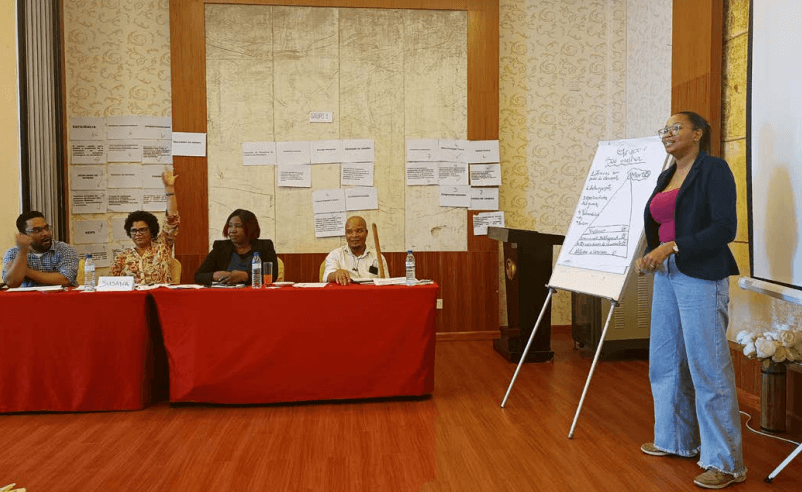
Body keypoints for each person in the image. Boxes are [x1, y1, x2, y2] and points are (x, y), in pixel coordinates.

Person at [637, 111, 745, 489]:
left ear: (698, 133)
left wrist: (672, 246)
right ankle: (676, 440)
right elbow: (659, 223)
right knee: (665, 361)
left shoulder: (714, 170)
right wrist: (653, 252)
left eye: (675, 127)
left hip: (701, 275)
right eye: (663, 128)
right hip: (667, 276)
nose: (666, 133)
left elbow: (724, 228)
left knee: (709, 369)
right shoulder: (666, 175)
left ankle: (726, 463)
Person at [110, 170, 179, 284]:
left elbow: (172, 219)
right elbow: (111, 286)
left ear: (151, 230)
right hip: (133, 300)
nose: (138, 234)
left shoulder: (162, 245)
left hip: (160, 298)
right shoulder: (122, 258)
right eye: (134, 231)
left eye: (142, 230)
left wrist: (169, 189)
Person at [194, 209, 278, 285]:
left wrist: (246, 276)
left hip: (255, 294)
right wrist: (213, 276)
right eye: (230, 226)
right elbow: (198, 276)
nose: (232, 230)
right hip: (226, 295)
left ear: (250, 228)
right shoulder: (220, 247)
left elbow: (272, 276)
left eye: (238, 226)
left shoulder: (265, 246)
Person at [2, 211, 78, 288]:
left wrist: (25, 271)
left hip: (60, 298)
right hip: (28, 299)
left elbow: (65, 280)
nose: (45, 233)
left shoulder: (65, 249)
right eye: (37, 230)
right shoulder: (13, 253)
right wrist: (22, 252)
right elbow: (12, 283)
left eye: (46, 228)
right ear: (23, 235)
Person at [323, 215, 388, 285]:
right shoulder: (335, 254)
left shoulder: (378, 257)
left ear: (366, 233)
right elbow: (327, 276)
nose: (354, 235)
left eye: (359, 231)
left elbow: (386, 283)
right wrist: (336, 274)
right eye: (349, 232)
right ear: (345, 234)